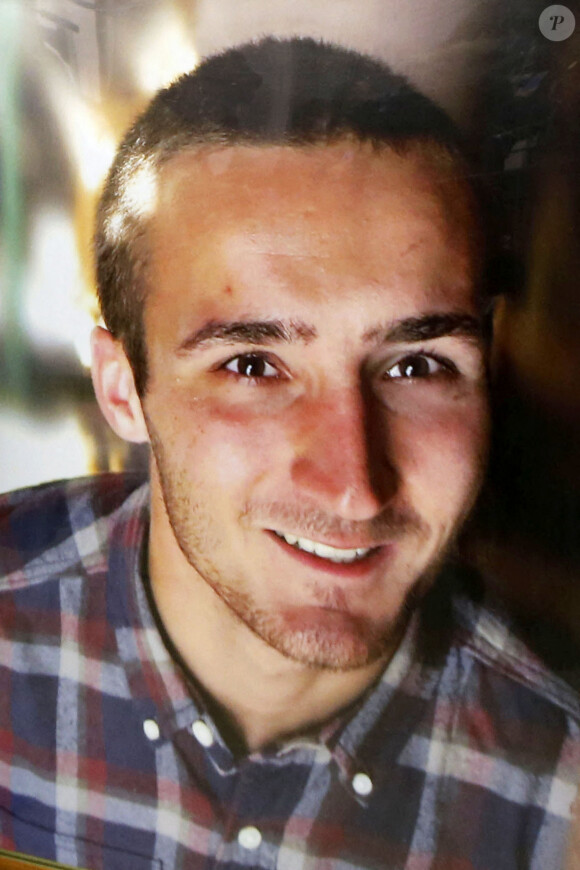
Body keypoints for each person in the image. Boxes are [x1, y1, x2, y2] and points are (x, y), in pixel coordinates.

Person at [0, 36, 578, 870]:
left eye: (417, 365)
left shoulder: (558, 784)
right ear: (123, 386)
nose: (354, 487)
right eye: (252, 366)